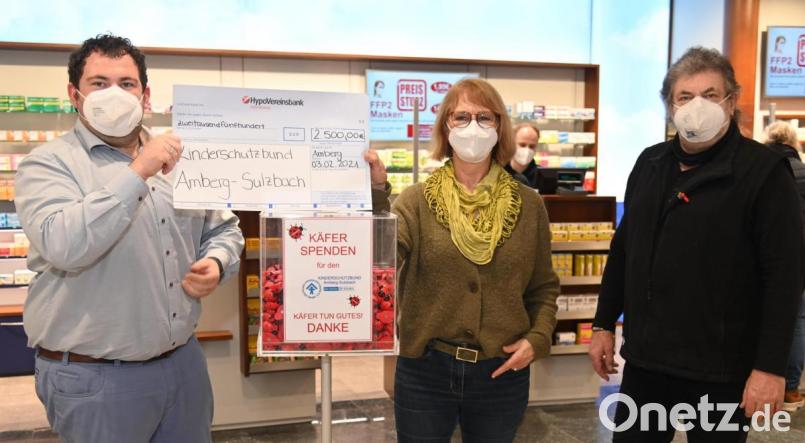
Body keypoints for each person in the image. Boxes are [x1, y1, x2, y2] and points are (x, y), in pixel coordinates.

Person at [15, 34, 244, 442]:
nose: (115, 94)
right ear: (75, 94)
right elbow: (64, 246)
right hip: (95, 377)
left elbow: (224, 228)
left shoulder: (181, 162)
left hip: (183, 366)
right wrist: (138, 171)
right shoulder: (47, 165)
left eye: (127, 83)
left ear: (146, 94)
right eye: (99, 84)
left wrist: (217, 262)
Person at [588, 47, 803, 442]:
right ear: (670, 106)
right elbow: (623, 253)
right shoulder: (650, 164)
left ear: (731, 101)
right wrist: (603, 323)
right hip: (646, 367)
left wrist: (770, 368)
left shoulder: (764, 173)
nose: (696, 106)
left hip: (722, 373)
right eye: (684, 97)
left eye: (709, 94)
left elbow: (784, 278)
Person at [366, 78, 560, 442]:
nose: (473, 127)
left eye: (485, 117)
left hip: (501, 372)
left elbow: (544, 285)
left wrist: (537, 338)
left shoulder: (530, 205)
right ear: (445, 128)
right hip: (425, 369)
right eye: (462, 117)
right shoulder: (415, 201)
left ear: (500, 127)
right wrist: (378, 195)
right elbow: (382, 260)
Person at [763, 121, 805, 412]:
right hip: (800, 255)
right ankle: (790, 389)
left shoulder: (760, 168)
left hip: (765, 254)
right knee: (797, 319)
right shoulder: (803, 171)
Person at [505, 122, 541, 189]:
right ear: (512, 143)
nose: (527, 150)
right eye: (522, 145)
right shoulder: (500, 172)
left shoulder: (542, 175)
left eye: (532, 146)